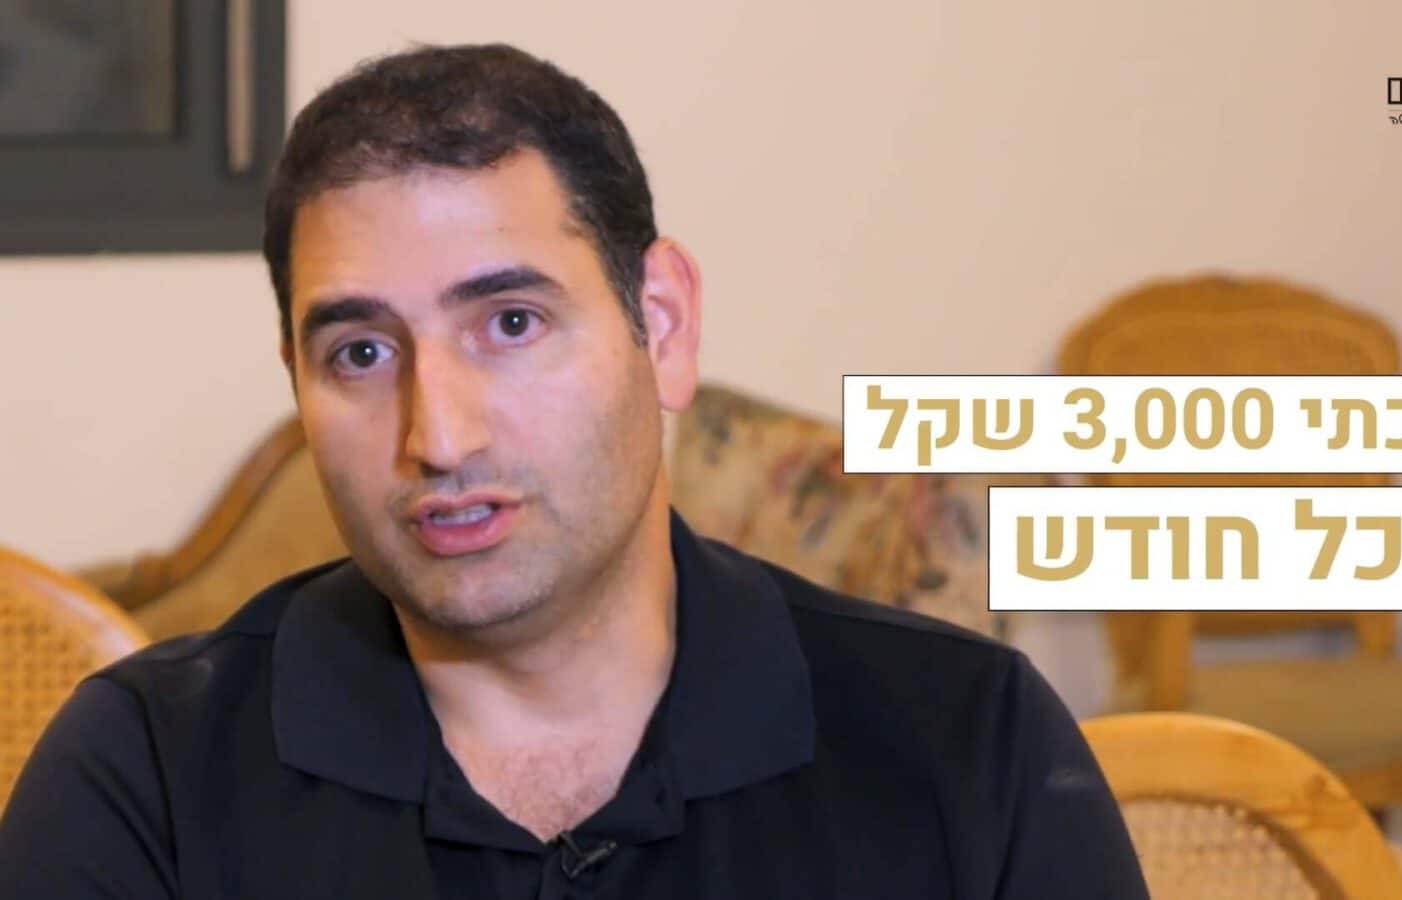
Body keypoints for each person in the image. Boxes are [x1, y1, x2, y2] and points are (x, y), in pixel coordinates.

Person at [0, 43, 1148, 898]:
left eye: (510, 323)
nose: (439, 438)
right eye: (360, 353)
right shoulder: (146, 772)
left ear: (663, 324)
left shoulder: (965, 742)